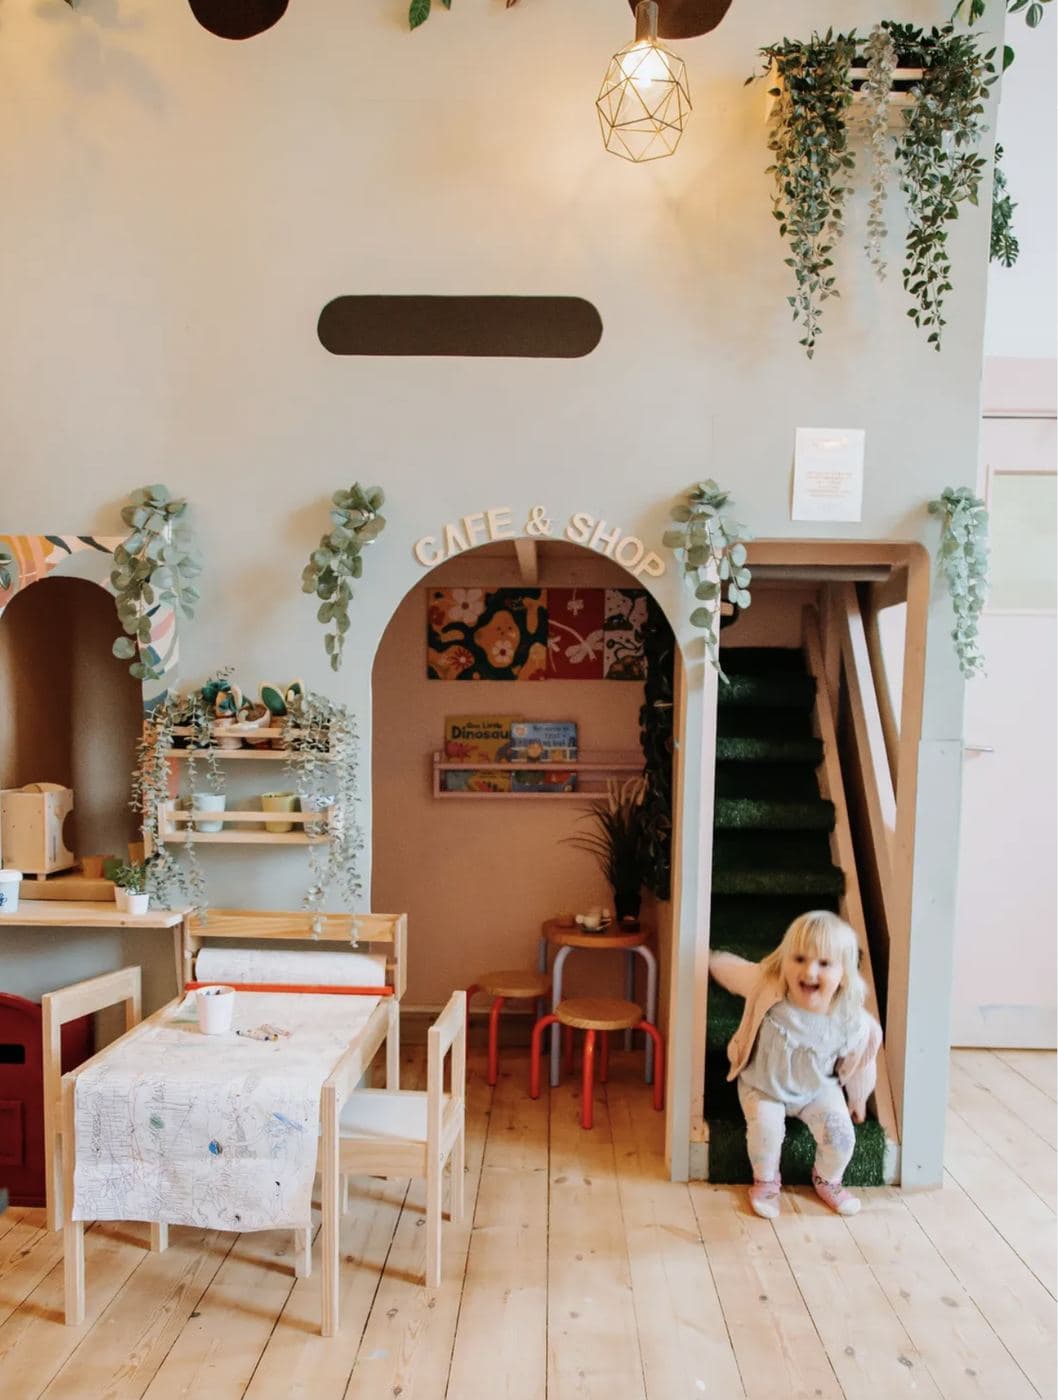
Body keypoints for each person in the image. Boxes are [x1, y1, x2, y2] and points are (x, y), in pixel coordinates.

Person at [709, 910, 882, 1219]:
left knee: (842, 1136)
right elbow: (737, 972)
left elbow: (862, 1062)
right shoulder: (769, 986)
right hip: (762, 1086)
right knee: (766, 1129)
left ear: (844, 974)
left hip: (816, 1090)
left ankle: (827, 1180)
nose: (809, 971)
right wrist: (710, 960)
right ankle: (766, 1182)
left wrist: (858, 1099)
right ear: (785, 960)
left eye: (824, 963)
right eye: (799, 959)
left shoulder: (852, 1021)